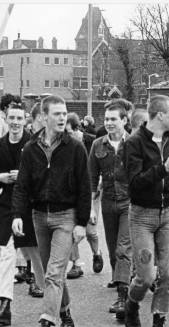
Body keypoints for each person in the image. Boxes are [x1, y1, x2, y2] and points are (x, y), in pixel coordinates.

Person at [12, 95, 91, 327]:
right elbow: (22, 187)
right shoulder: (30, 149)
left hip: (65, 216)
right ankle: (67, 318)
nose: (62, 118)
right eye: (56, 114)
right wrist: (17, 215)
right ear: (44, 117)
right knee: (50, 274)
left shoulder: (75, 147)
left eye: (64, 113)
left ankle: (45, 325)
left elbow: (84, 187)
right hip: (39, 216)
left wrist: (81, 222)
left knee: (55, 272)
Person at [123, 95, 169, 327]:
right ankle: (132, 302)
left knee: (167, 274)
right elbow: (134, 184)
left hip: (166, 214)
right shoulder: (134, 143)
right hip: (142, 216)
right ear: (159, 115)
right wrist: (163, 169)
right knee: (146, 276)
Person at [0, 103, 45, 327]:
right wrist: (0, 177)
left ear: (25, 120)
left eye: (20, 118)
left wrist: (24, 176)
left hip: (30, 206)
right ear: (6, 118)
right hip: (8, 205)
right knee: (7, 253)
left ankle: (56, 303)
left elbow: (43, 174)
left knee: (37, 255)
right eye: (12, 118)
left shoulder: (33, 144)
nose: (15, 122)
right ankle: (4, 306)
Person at [88, 101, 132, 319]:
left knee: (124, 248)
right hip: (108, 202)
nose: (109, 123)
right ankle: (122, 280)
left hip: (130, 203)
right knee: (113, 247)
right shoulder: (97, 145)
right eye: (106, 119)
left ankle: (123, 297)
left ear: (124, 121)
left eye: (114, 119)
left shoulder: (134, 143)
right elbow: (91, 179)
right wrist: (90, 208)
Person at [65, 112, 103, 279]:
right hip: (70, 191)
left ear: (75, 129)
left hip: (90, 190)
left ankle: (97, 253)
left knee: (90, 230)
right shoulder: (63, 144)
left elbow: (96, 167)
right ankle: (76, 264)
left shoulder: (90, 141)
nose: (65, 135)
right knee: (70, 230)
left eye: (68, 131)